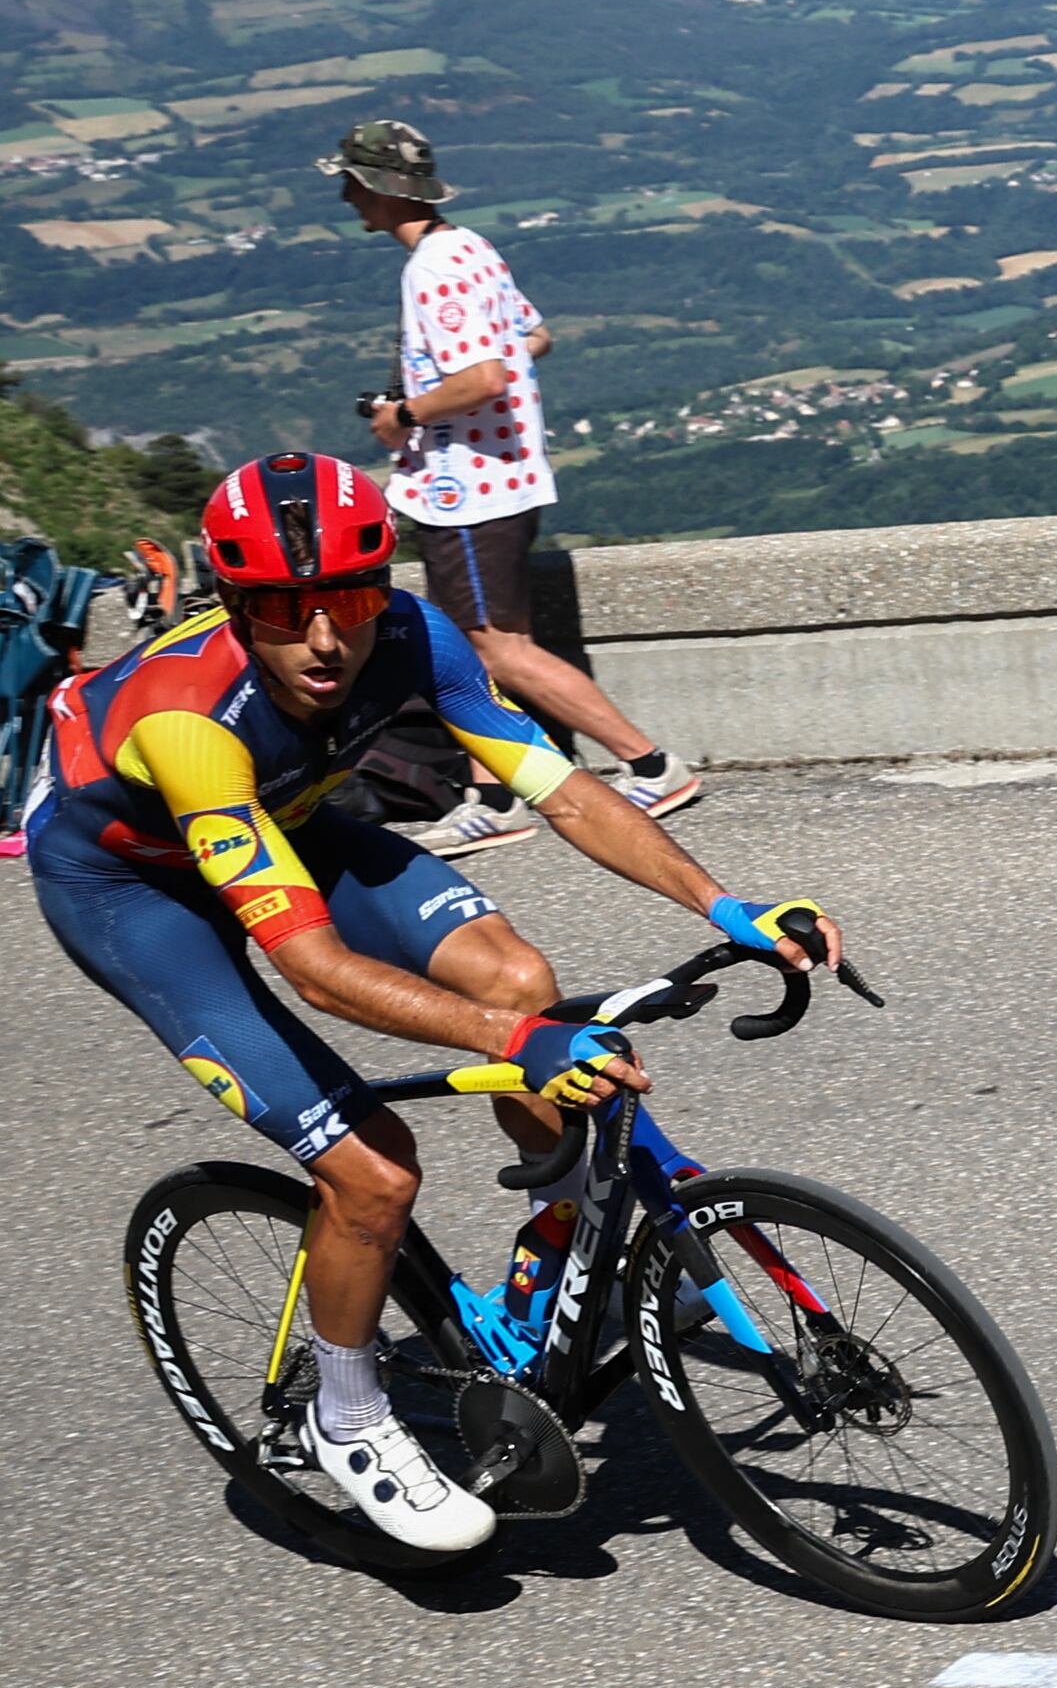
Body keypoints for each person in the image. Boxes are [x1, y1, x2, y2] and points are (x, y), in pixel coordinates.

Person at [25, 453, 838, 1556]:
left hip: (283, 822)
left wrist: (727, 904)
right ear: (236, 603)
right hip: (134, 890)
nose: (325, 639)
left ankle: (561, 1263)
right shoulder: (190, 722)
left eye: (349, 601)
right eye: (285, 609)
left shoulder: (417, 635)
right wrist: (521, 1045)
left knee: (519, 978)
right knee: (374, 1165)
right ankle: (346, 1414)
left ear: (381, 589)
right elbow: (317, 971)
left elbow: (562, 789)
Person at [328, 118, 697, 847]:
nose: (346, 196)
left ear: (380, 187)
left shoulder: (432, 268)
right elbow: (534, 335)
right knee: (471, 652)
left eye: (352, 182)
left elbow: (484, 377)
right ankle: (494, 800)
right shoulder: (471, 247)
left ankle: (652, 766)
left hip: (468, 490)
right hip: (504, 477)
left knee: (501, 649)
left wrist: (404, 413)